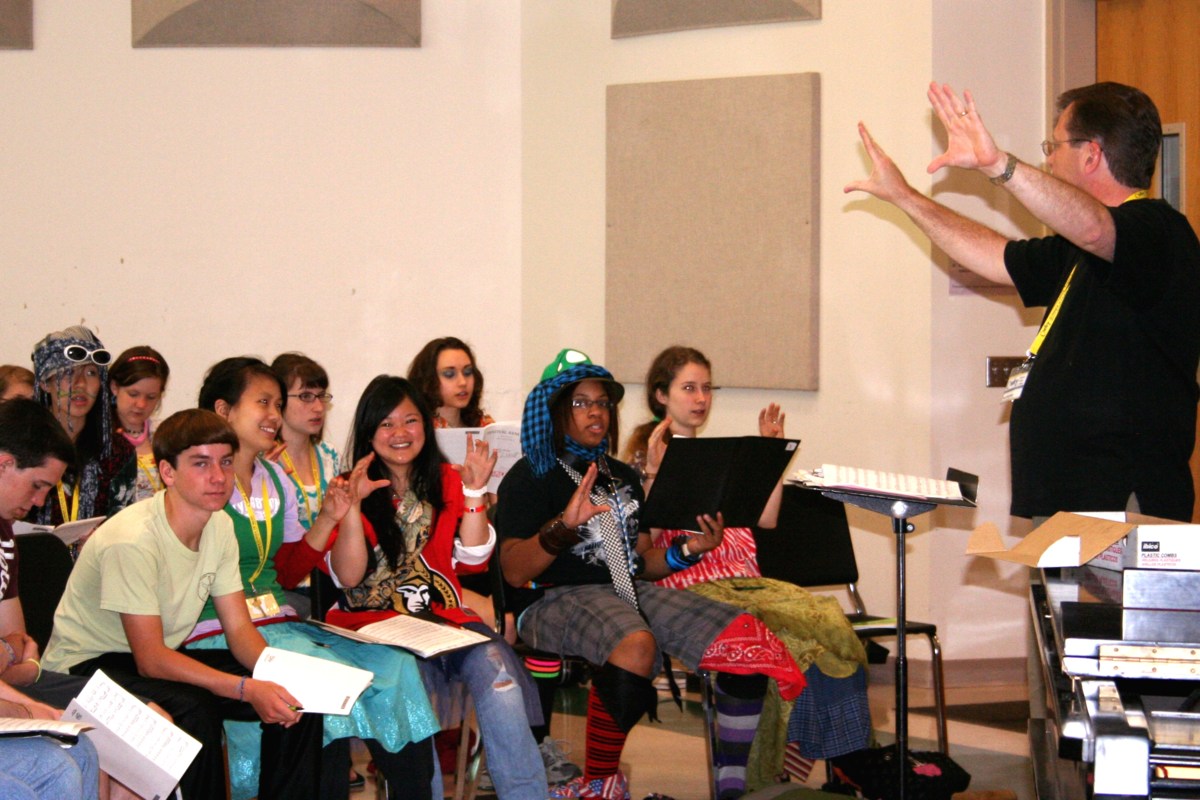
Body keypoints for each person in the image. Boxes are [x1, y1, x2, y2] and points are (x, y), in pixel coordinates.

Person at [845, 82, 1200, 521]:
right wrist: (905, 197)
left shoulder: (1158, 232)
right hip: (1068, 501)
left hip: (1119, 500)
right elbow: (995, 259)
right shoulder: (1077, 249)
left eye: (1054, 146)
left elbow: (1095, 229)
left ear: (1091, 154)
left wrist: (997, 164)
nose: (1048, 159)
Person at [497, 349, 806, 800]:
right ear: (554, 411)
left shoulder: (620, 475)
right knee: (635, 644)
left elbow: (641, 559)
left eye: (603, 402)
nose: (596, 412)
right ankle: (600, 784)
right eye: (581, 402)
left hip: (627, 590)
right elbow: (512, 570)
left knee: (746, 639)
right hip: (551, 598)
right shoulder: (530, 476)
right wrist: (562, 527)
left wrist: (689, 550)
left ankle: (732, 785)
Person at [624, 347, 870, 797]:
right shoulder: (645, 458)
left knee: (829, 627)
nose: (701, 398)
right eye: (688, 388)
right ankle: (754, 774)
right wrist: (655, 474)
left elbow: (767, 518)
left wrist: (771, 456)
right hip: (692, 584)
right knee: (785, 639)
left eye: (707, 388)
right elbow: (641, 547)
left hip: (746, 580)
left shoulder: (722, 455)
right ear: (661, 395)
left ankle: (843, 766)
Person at [42, 408, 324, 800]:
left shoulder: (219, 524)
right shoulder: (133, 539)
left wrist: (273, 677)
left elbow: (239, 630)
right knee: (196, 708)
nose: (219, 477)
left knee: (296, 698)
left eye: (226, 462)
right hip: (84, 667)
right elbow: (151, 660)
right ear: (167, 472)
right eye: (201, 463)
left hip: (149, 657)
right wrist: (246, 688)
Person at [195, 357, 439, 800]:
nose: (274, 415)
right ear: (223, 410)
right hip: (217, 631)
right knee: (327, 681)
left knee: (397, 666)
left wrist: (329, 517)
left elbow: (287, 572)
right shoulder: (201, 482)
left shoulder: (274, 477)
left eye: (277, 404)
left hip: (279, 622)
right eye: (263, 403)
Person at [319, 374, 548, 800]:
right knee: (413, 693)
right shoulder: (351, 485)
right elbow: (348, 578)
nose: (400, 433)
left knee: (501, 677)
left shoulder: (446, 478)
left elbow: (473, 560)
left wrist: (475, 491)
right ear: (368, 432)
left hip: (442, 621)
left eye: (410, 421)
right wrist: (351, 508)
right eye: (386, 423)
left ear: (426, 426)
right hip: (375, 628)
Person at [0, 398, 102, 800]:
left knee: (81, 748)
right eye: (38, 485)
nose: (40, 502)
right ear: (4, 464)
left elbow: (20, 647)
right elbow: (14, 655)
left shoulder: (4, 532)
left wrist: (12, 659)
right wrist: (26, 705)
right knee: (49, 770)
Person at [30, 326, 134, 526]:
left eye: (91, 373)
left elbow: (123, 524)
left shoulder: (117, 451)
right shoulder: (23, 445)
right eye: (68, 372)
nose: (81, 384)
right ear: (45, 383)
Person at [109, 346, 171, 505]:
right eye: (133, 394)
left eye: (151, 397)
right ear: (114, 387)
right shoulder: (99, 435)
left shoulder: (168, 434)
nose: (141, 404)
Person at [407, 336, 495, 429]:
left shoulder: (486, 428)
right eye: (449, 374)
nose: (463, 382)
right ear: (428, 380)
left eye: (468, 372)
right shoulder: (417, 430)